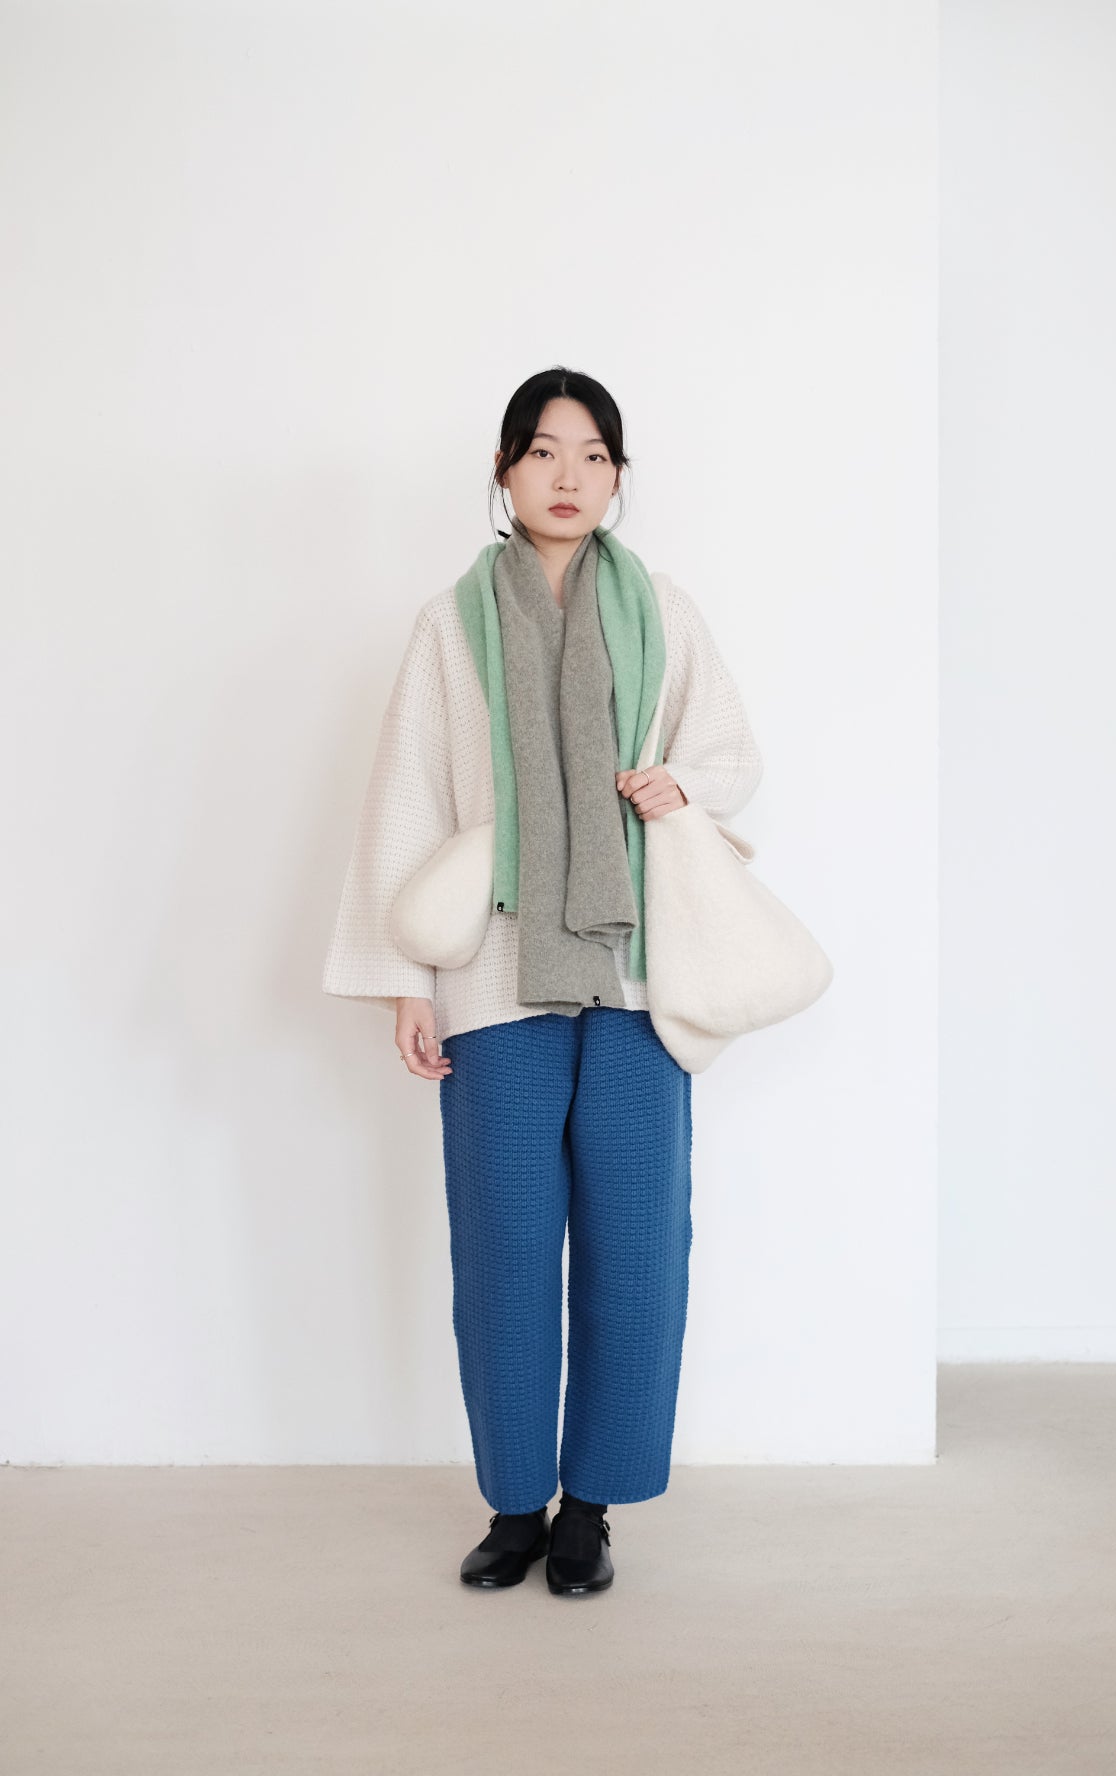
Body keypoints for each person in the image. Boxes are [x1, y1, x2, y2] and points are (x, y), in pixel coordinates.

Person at [323, 365, 763, 1596]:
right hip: (493, 977)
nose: (567, 476)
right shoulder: (449, 623)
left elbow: (728, 752)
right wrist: (405, 982)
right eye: (542, 452)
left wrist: (680, 782)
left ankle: (591, 1511)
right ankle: (515, 1505)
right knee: (506, 1250)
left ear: (617, 476)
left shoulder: (661, 610)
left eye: (592, 455)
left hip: (633, 977)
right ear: (504, 471)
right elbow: (406, 799)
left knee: (634, 1250)